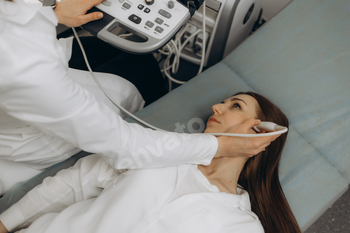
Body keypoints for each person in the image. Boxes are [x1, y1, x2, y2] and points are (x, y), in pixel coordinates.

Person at [0, 0, 279, 197]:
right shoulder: (28, 68)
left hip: (44, 69)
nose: (216, 106)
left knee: (116, 52)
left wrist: (51, 15)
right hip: (31, 129)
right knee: (144, 73)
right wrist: (218, 146)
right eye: (232, 103)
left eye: (235, 105)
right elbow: (125, 147)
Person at [0, 92, 302, 233]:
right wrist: (5, 223)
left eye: (235, 105)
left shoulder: (242, 226)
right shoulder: (160, 149)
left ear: (262, 133)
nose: (217, 106)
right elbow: (73, 184)